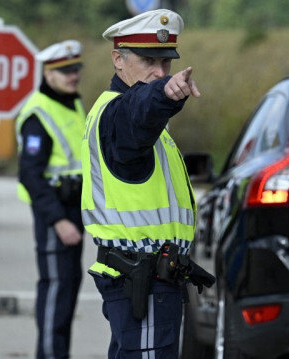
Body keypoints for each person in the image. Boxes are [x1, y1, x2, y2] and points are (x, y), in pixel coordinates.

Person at [80, 9, 210, 358]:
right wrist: (164, 96)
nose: (159, 71)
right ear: (117, 59)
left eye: (165, 63)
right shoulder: (119, 114)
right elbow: (140, 111)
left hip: (149, 280)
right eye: (148, 60)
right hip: (143, 281)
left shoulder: (134, 118)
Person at [15, 39, 86, 359]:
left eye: (76, 69)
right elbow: (30, 175)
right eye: (65, 71)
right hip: (54, 212)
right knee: (57, 289)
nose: (73, 76)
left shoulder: (71, 103)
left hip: (74, 208)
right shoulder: (38, 113)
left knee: (68, 289)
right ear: (48, 73)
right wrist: (58, 220)